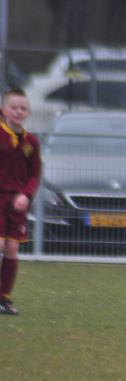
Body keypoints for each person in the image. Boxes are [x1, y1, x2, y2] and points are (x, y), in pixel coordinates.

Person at [0, 88, 41, 316]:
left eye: (23, 108)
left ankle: (3, 298)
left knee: (12, 248)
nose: (18, 111)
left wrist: (26, 194)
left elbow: (34, 174)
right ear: (4, 110)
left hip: (16, 202)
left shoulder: (31, 142)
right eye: (13, 107)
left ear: (29, 112)